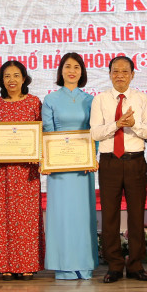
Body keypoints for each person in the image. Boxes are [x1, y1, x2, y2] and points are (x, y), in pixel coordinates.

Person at [90, 56, 147, 283]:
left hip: (135, 161)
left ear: (133, 74)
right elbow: (95, 133)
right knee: (109, 215)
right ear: (109, 74)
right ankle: (115, 266)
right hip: (110, 162)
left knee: (137, 215)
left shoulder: (141, 98)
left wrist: (133, 124)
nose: (120, 75)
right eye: (115, 71)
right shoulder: (100, 99)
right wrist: (116, 124)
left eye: (125, 71)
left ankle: (136, 265)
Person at [42, 53, 98, 280]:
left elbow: (94, 132)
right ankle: (63, 265)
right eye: (67, 66)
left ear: (82, 71)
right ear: (61, 71)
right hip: (59, 169)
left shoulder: (90, 100)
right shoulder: (50, 99)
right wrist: (49, 160)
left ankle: (84, 264)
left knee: (82, 215)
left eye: (76, 67)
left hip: (83, 168)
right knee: (62, 215)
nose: (72, 71)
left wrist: (92, 157)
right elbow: (48, 132)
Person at [0, 60, 44, 280]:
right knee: (4, 217)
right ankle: (5, 265)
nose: (11, 80)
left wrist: (38, 154)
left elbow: (41, 134)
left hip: (27, 171)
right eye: (6, 76)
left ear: (24, 78)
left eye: (16, 75)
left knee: (27, 219)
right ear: (1, 80)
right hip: (3, 171)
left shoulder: (34, 102)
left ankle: (27, 263)